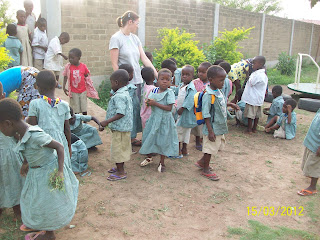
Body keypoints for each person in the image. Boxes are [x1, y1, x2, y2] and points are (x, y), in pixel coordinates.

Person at [0, 98, 78, 240]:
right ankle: (42, 227)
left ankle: (49, 234)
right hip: (37, 173)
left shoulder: (35, 134)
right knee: (35, 200)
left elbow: (59, 147)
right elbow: (27, 148)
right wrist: (26, 163)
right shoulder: (22, 134)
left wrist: (60, 172)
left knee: (47, 202)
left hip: (47, 173)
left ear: (7, 124)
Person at [195, 66, 239, 180]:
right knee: (210, 148)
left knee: (214, 146)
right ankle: (205, 169)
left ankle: (202, 162)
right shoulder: (208, 95)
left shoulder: (218, 91)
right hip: (212, 127)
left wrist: (230, 104)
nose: (223, 83)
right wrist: (210, 131)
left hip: (219, 126)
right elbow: (206, 114)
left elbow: (221, 103)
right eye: (220, 80)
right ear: (211, 79)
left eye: (224, 80)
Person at [26, 70, 72, 169]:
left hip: (42, 141)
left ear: (37, 87)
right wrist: (69, 147)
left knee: (45, 170)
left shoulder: (35, 104)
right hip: (61, 143)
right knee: (61, 168)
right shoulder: (64, 105)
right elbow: (67, 129)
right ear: (56, 84)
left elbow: (33, 128)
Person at [109, 11, 157, 99]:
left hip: (137, 80)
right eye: (137, 23)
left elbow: (145, 59)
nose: (137, 26)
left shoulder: (135, 38)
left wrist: (156, 74)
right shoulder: (116, 38)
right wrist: (122, 83)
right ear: (130, 22)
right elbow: (114, 64)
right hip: (125, 83)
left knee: (136, 108)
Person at [139, 69, 179, 172]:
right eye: (162, 79)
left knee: (163, 141)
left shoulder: (169, 93)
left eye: (167, 79)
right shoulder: (154, 91)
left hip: (165, 121)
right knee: (149, 137)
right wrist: (148, 102)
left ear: (171, 81)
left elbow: (169, 108)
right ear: (157, 80)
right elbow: (150, 102)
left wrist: (155, 104)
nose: (165, 81)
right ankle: (149, 157)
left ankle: (162, 162)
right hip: (154, 119)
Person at [100, 69, 133, 181]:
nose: (111, 85)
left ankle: (121, 172)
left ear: (117, 83)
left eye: (112, 82)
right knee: (121, 149)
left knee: (118, 150)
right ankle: (119, 167)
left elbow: (120, 113)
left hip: (120, 128)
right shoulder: (124, 92)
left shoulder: (119, 96)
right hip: (123, 127)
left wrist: (107, 121)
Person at [0, 82, 24, 221]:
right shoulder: (6, 112)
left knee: (12, 181)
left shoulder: (6, 113)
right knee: (13, 181)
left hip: (9, 155)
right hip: (8, 155)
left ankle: (16, 210)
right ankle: (16, 211)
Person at [63, 48, 99, 115]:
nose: (70, 59)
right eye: (69, 58)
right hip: (74, 91)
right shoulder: (68, 67)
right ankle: (77, 120)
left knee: (83, 106)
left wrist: (89, 84)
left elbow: (86, 75)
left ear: (79, 58)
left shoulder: (83, 66)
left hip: (83, 90)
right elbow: (65, 76)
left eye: (72, 58)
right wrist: (64, 87)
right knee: (75, 107)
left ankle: (85, 119)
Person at [241, 56, 268, 134]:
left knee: (251, 115)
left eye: (254, 63)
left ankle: (249, 129)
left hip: (253, 98)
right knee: (256, 115)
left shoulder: (258, 74)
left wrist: (247, 76)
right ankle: (254, 128)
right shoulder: (262, 74)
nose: (252, 65)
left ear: (260, 64)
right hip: (257, 98)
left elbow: (252, 82)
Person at [297, 108, 320, 196]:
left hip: (317, 145)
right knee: (310, 162)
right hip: (313, 141)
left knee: (314, 164)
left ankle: (312, 188)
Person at [118, 64, 142, 146]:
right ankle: (129, 141)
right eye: (132, 73)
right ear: (128, 74)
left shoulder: (118, 86)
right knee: (131, 124)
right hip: (131, 111)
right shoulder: (130, 87)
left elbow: (111, 94)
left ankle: (131, 139)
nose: (133, 75)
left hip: (126, 111)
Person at [176, 65, 197, 157]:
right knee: (183, 131)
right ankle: (183, 149)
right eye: (183, 74)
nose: (184, 76)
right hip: (181, 113)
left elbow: (190, 99)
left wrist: (183, 108)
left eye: (187, 75)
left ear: (192, 76)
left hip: (185, 113)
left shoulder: (191, 88)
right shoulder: (182, 85)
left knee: (180, 131)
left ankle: (179, 150)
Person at [191, 62, 212, 151]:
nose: (200, 74)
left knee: (205, 124)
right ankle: (197, 142)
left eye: (203, 72)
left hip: (207, 107)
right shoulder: (194, 82)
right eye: (199, 71)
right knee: (198, 125)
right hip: (197, 108)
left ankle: (203, 139)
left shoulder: (211, 84)